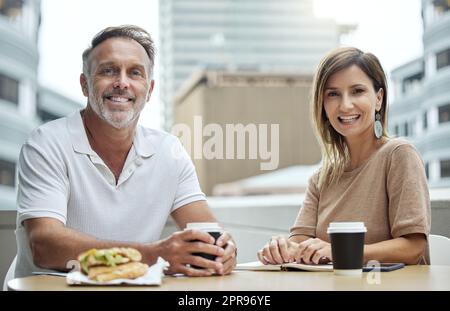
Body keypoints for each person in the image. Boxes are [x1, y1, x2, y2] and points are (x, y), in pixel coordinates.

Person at [15, 25, 236, 278]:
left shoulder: (169, 151)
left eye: (135, 73)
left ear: (149, 90)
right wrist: (155, 254)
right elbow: (45, 245)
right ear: (85, 84)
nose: (122, 83)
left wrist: (223, 251)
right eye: (108, 71)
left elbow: (208, 234)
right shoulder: (46, 143)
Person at [257, 47, 431, 266]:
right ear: (323, 105)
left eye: (357, 91)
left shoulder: (399, 155)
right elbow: (299, 243)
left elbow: (413, 247)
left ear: (378, 99)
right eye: (333, 94)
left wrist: (340, 251)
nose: (345, 105)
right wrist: (282, 249)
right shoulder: (321, 178)